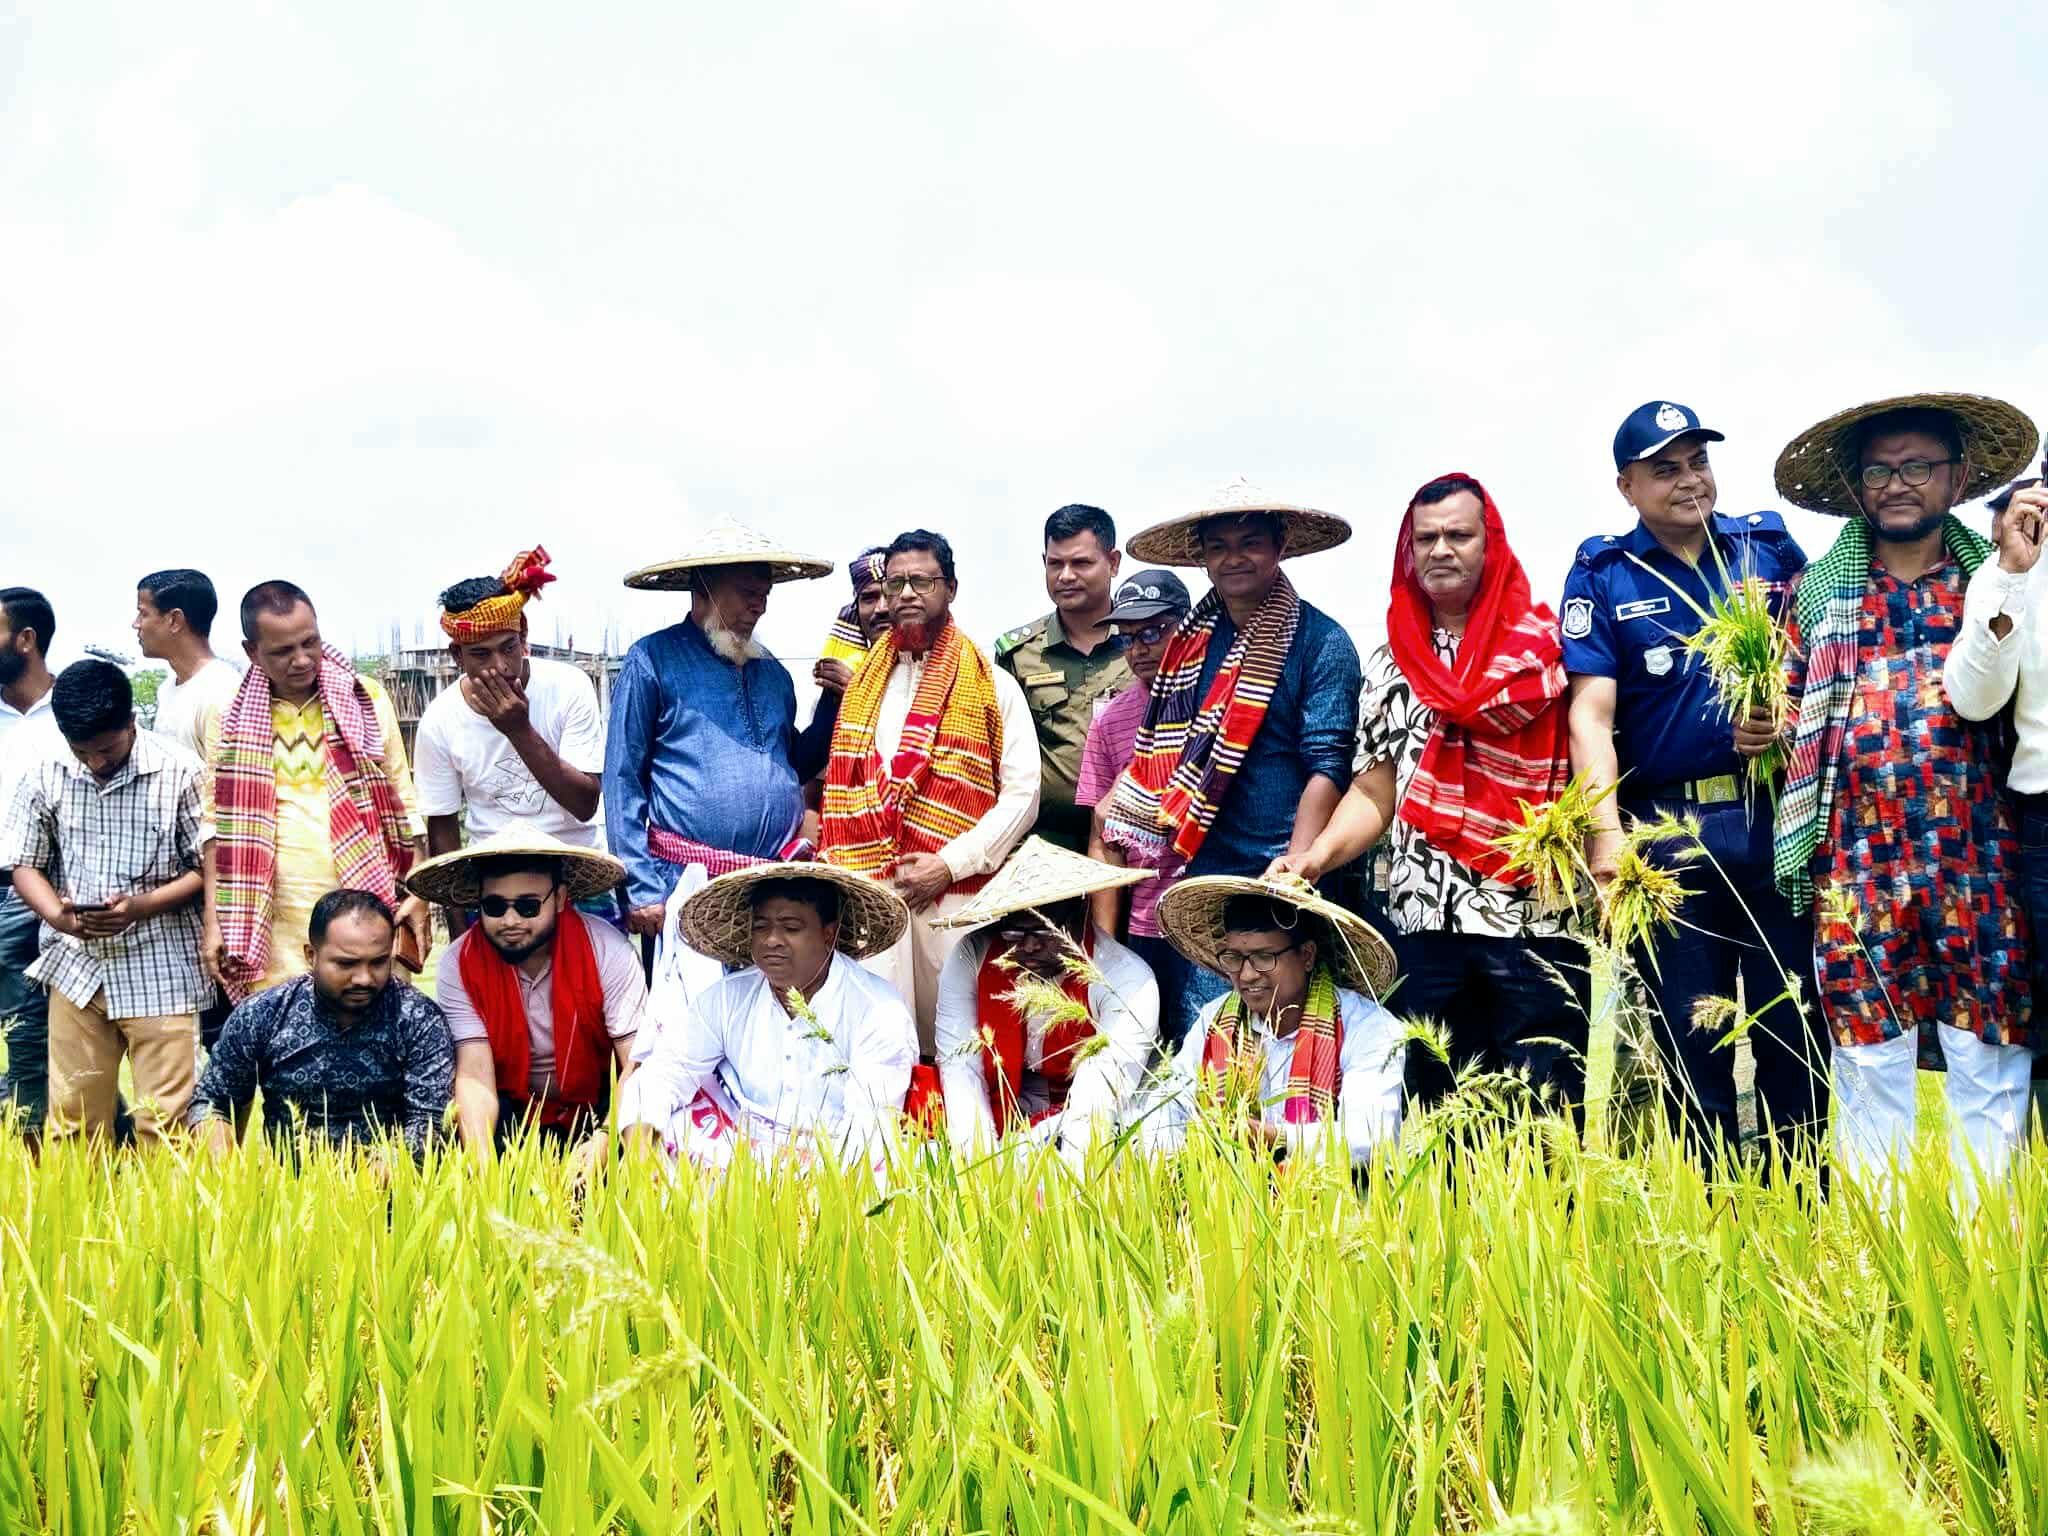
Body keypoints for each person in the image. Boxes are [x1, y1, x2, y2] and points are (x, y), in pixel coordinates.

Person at [1774, 391, 2041, 1200]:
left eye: (1918, 466)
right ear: (1856, 486)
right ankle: (1874, 1254)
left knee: (1989, 1056)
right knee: (1866, 1063)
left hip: (1981, 859)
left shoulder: (1997, 579)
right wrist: (1763, 731)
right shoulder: (1818, 594)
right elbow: (1790, 720)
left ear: (1958, 478)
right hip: (1857, 864)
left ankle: (1989, 1248)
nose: (1897, 484)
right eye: (1879, 471)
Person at [1275, 473, 1586, 1120]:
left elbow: (1589, 759)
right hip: (1424, 919)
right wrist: (1316, 857)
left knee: (1546, 1107)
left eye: (1459, 535)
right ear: (1408, 551)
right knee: (1442, 1111)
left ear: (1490, 544)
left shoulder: (1546, 650)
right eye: (1426, 538)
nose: (1441, 549)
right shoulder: (1392, 662)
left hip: (1533, 916)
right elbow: (1373, 789)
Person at [1558, 401, 1819, 1161]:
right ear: (1627, 487)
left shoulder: (1765, 549)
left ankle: (1805, 1199)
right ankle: (1710, 1207)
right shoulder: (1605, 574)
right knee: (1690, 1041)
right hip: (1668, 837)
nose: (1689, 480)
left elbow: (1825, 666)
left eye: (1698, 462)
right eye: (1665, 469)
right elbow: (1590, 715)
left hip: (1774, 827)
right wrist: (1606, 838)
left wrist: (1785, 719)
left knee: (1793, 1031)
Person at [1100, 483, 1362, 1027]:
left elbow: (1328, 765)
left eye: (1250, 543)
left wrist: (1296, 870)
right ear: (1201, 557)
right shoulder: (1191, 644)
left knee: (1298, 1024)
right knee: (1208, 1030)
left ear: (1280, 546)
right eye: (1218, 546)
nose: (1234, 558)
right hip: (1209, 872)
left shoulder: (1323, 642)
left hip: (1289, 866)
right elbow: (1168, 742)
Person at [818, 529, 1040, 1044]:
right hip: (874, 899)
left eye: (922, 581)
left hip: (955, 898)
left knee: (963, 1046)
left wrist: (949, 864)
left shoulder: (992, 683)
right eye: (895, 584)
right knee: (879, 1045)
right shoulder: (861, 688)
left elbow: (1023, 795)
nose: (906, 594)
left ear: (951, 588)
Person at [0, 660, 206, 1145]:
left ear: (131, 721)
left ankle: (166, 1200)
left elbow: (205, 869)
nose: (95, 762)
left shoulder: (181, 772)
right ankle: (79, 1196)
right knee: (74, 1123)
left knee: (166, 1124)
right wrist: (57, 915)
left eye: (107, 750)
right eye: (82, 751)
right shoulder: (46, 771)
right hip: (76, 968)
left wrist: (141, 906)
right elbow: (23, 862)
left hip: (161, 967)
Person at [606, 517, 837, 939]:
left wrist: (833, 703)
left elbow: (793, 764)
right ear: (704, 588)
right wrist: (640, 887)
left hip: (773, 887)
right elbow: (623, 779)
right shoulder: (652, 660)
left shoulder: (773, 673)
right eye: (748, 593)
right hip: (683, 884)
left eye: (764, 595)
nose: (759, 607)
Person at [202, 582, 432, 1002]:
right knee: (282, 1032)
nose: (302, 659)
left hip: (368, 911)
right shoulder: (229, 716)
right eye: (283, 651)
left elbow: (405, 805)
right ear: (252, 651)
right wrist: (215, 923)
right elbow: (216, 828)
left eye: (310, 642)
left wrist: (417, 895)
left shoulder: (366, 698)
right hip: (274, 924)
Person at [618, 864, 916, 1170]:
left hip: (832, 1157)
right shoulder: (727, 997)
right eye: (761, 926)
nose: (772, 940)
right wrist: (641, 1154)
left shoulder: (878, 1010)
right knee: (668, 1128)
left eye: (791, 927)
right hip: (742, 1148)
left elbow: (868, 1131)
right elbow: (664, 1073)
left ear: (829, 934)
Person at [407, 826, 644, 1155]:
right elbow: (475, 1073)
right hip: (514, 1108)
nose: (510, 920)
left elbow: (635, 1061)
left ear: (559, 899)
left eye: (528, 906)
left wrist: (603, 1140)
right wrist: (482, 1163)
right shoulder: (459, 964)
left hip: (600, 1104)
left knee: (640, 1128)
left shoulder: (608, 950)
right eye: (494, 906)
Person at [1145, 876, 1404, 1167]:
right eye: (1234, 958)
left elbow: (1370, 1138)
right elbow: (1164, 1108)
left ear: (1307, 956)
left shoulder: (1368, 1026)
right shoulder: (1215, 1021)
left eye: (1264, 957)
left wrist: (1273, 1137)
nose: (1247, 975)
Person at [929, 836, 1158, 1156]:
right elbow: (960, 1068)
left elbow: (1097, 1099)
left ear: (1081, 913)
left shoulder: (1125, 977)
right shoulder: (972, 957)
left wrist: (1068, 1170)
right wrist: (979, 1162)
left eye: (1043, 930)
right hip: (1008, 1107)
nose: (1029, 946)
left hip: (1096, 1112)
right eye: (1015, 932)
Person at [188, 888, 455, 1159]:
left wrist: (374, 1176)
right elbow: (212, 1102)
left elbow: (430, 1122)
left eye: (378, 962)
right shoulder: (263, 1013)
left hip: (393, 1179)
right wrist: (226, 1168)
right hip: (288, 1180)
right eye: (346, 964)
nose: (364, 978)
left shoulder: (418, 1018)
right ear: (311, 955)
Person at [415, 547, 606, 867]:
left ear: (523, 635)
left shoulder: (569, 687)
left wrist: (519, 730)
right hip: (494, 874)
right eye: (481, 654)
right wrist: (458, 901)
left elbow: (585, 805)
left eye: (508, 647)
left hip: (578, 866)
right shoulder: (439, 721)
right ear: (457, 655)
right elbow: (443, 828)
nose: (500, 666)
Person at [1076, 568, 1193, 1033]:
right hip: (1147, 923)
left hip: (1210, 912)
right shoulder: (1111, 720)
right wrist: (1107, 950)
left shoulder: (1222, 701)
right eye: (1127, 638)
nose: (1139, 649)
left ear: (1188, 625)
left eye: (1152, 632)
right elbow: (1102, 836)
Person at [994, 505, 1133, 851]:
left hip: (1135, 838)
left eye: (1081, 563)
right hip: (1047, 845)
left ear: (1113, 562)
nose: (1066, 576)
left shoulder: (1145, 643)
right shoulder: (1018, 654)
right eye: (1055, 564)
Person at [0, 587, 59, 1137]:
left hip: (50, 889)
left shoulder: (72, 712)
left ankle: (35, 1135)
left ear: (25, 639)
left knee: (36, 1024)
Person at [133, 568, 242, 758]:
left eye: (143, 614)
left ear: (175, 620)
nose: (136, 624)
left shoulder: (223, 691)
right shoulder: (167, 689)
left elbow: (225, 774)